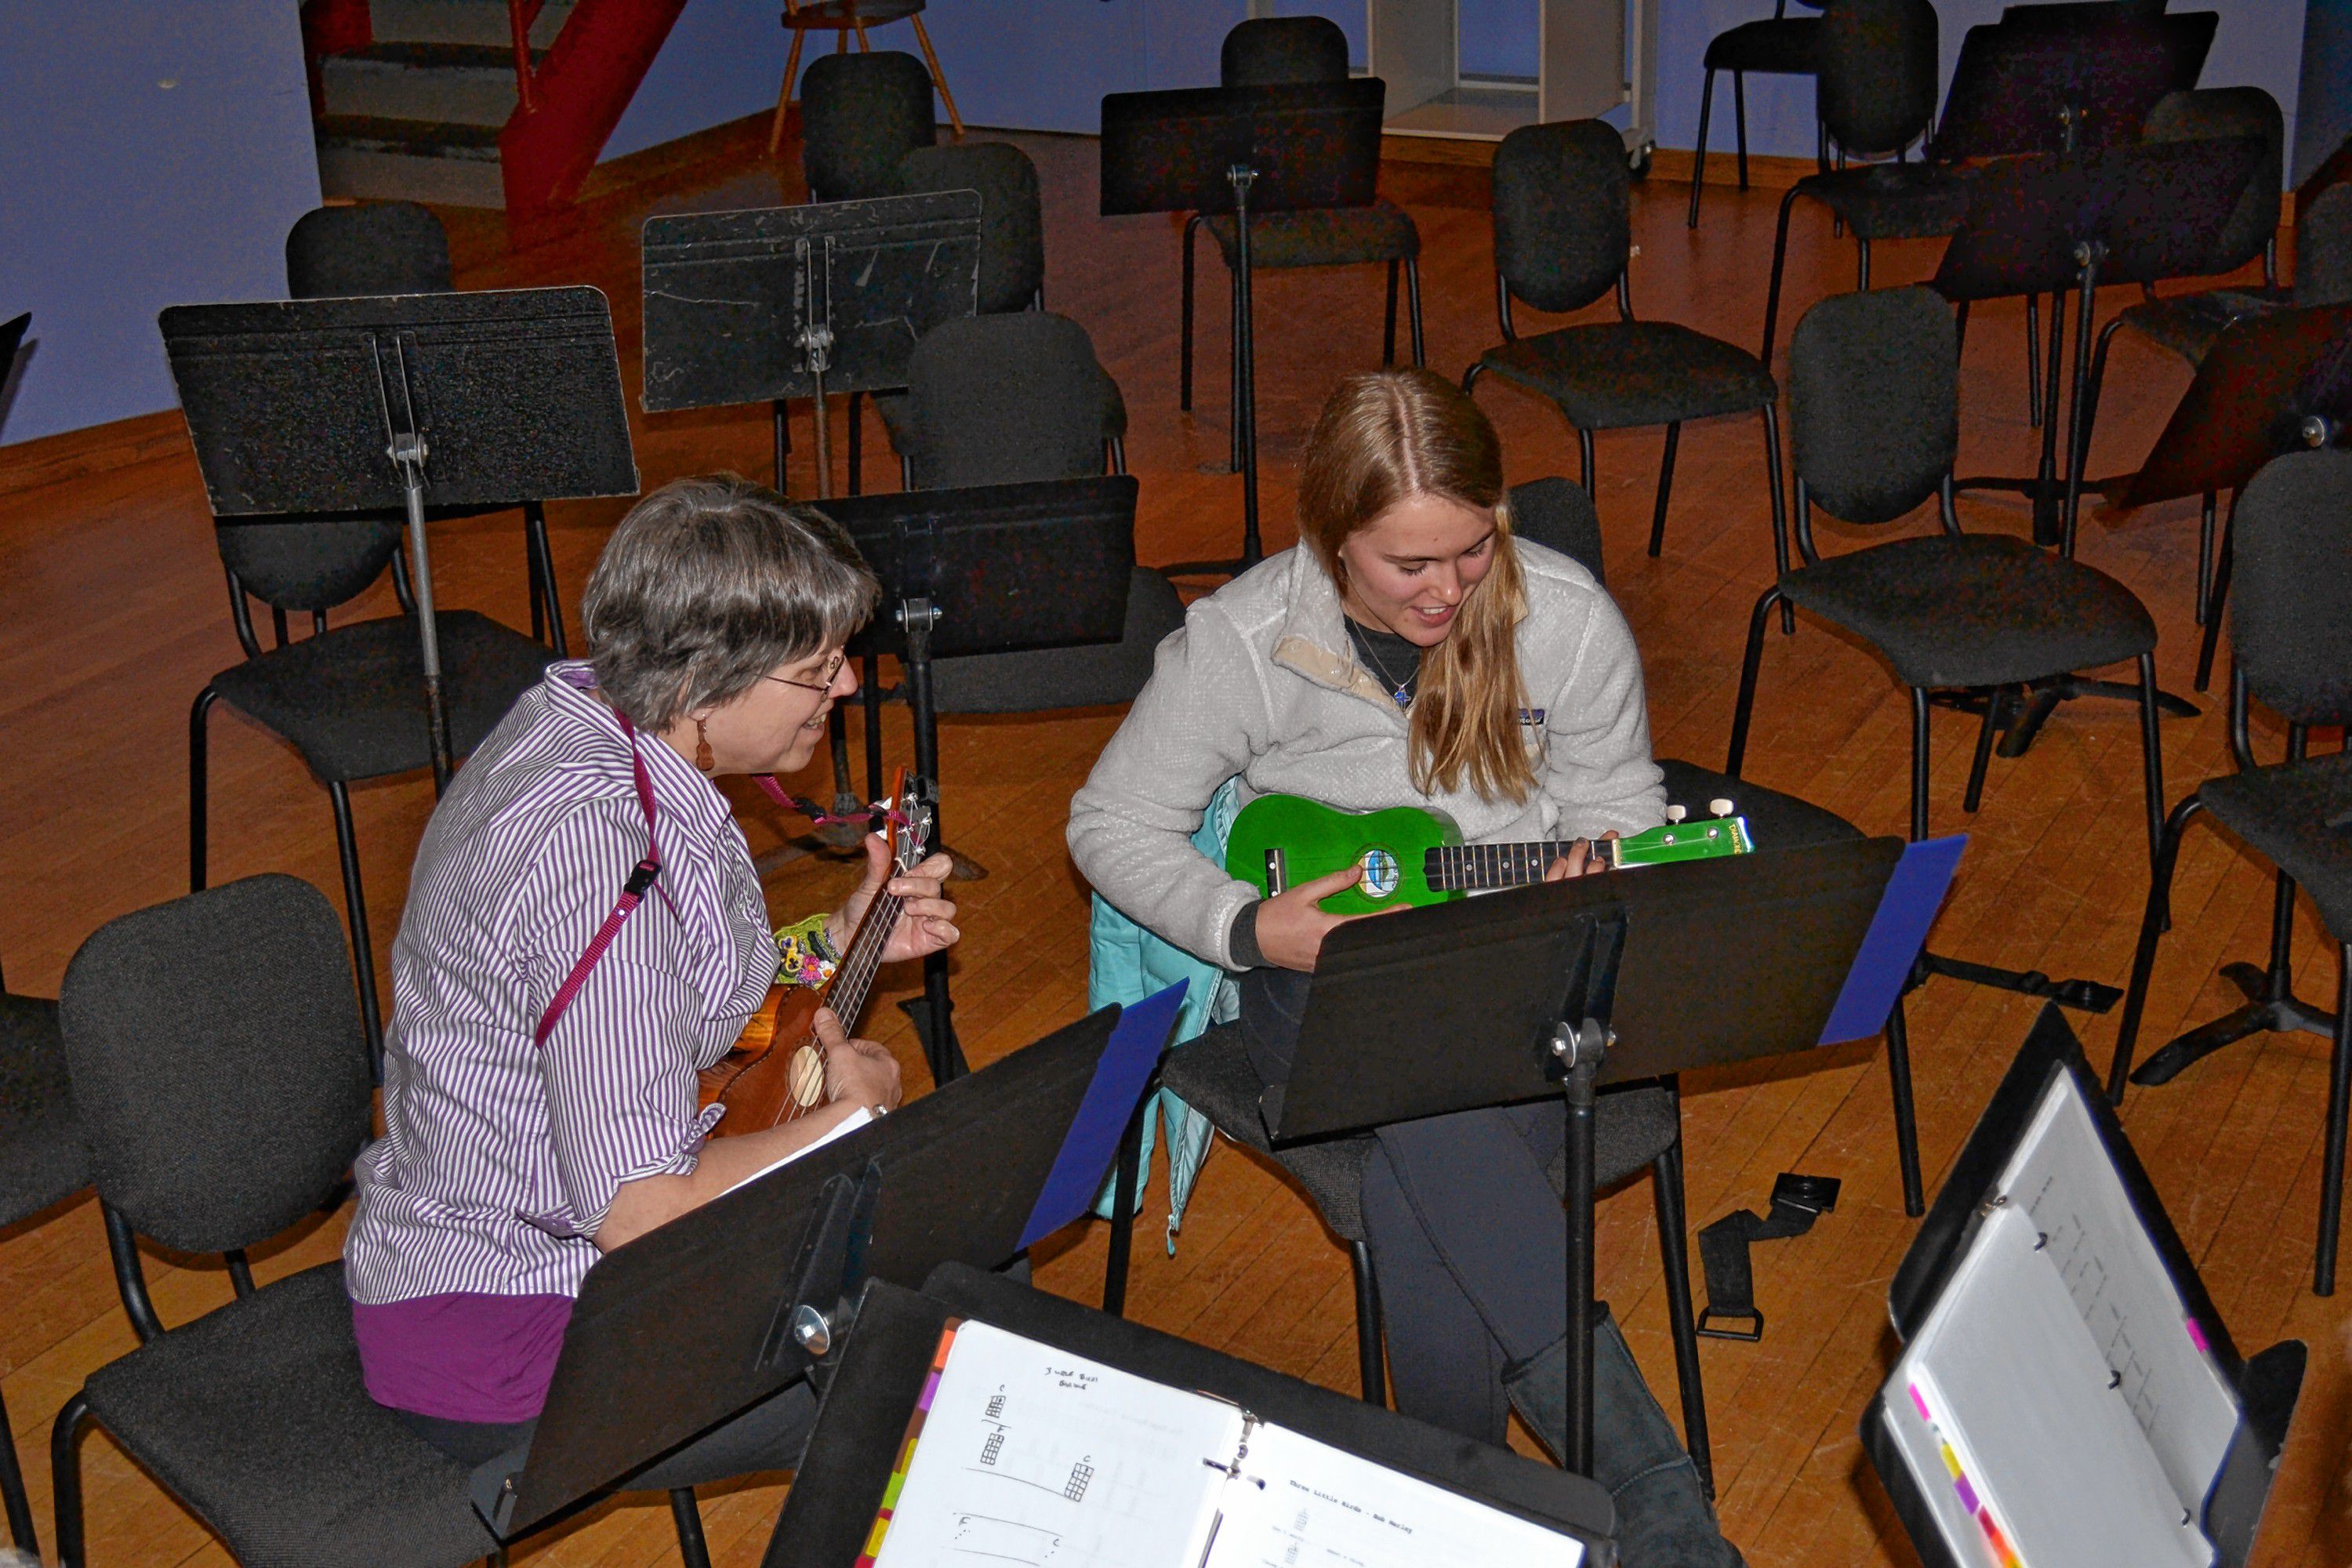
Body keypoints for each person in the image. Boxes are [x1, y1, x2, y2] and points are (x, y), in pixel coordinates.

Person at [1067, 371, 1738, 1566]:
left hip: (1512, 963)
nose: (1446, 591)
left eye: (1472, 553)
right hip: (1309, 979)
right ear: (1331, 544)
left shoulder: (1565, 622)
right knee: (1435, 1107)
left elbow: (1623, 807)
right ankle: (1650, 1490)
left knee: (1417, 1173)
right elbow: (1109, 824)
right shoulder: (1247, 639)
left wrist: (1607, 867)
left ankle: (1464, 1527)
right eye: (1407, 566)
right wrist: (1244, 926)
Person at [344, 475, 958, 1483]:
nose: (848, 686)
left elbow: (687, 998)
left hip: (557, 1258)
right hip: (514, 1323)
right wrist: (851, 1118)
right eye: (818, 669)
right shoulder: (600, 854)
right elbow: (640, 1209)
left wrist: (844, 935)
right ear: (699, 687)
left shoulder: (598, 722)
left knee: (956, 1267)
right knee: (938, 1355)